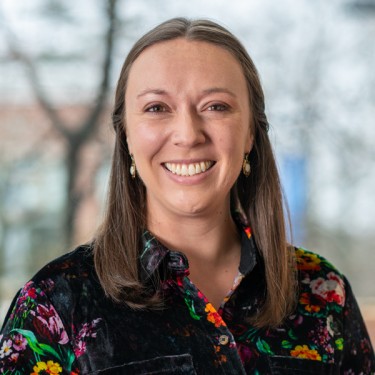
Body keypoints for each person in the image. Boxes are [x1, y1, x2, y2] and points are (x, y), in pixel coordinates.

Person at [0, 17, 374, 375]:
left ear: (250, 135)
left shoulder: (324, 294)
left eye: (216, 106)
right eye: (156, 108)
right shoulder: (52, 306)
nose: (188, 133)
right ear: (127, 137)